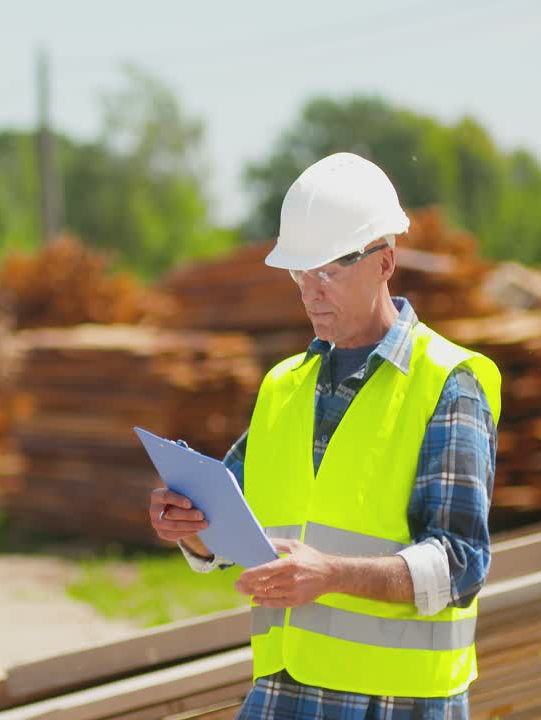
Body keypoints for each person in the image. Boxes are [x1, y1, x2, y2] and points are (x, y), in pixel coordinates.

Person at [148, 152, 500, 719]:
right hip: (286, 691)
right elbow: (229, 525)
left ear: (385, 262)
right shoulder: (285, 387)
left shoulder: (447, 387)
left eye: (328, 271)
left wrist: (331, 574)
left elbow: (462, 564)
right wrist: (187, 528)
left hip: (398, 703)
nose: (310, 291)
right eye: (298, 272)